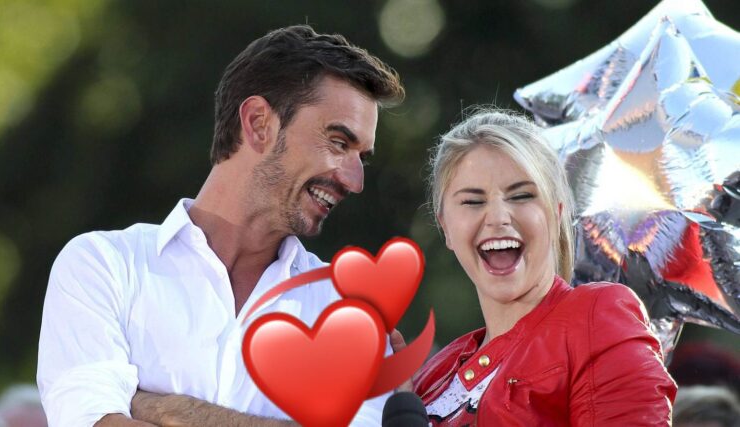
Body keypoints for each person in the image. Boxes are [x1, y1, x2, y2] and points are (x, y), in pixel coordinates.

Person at [37, 25, 404, 427]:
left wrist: (170, 409)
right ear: (259, 123)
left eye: (361, 158)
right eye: (338, 142)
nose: (355, 181)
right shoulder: (103, 264)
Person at [412, 109, 677, 425]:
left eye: (521, 196)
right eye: (473, 201)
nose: (498, 217)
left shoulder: (596, 318)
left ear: (556, 213)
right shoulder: (432, 374)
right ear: (445, 227)